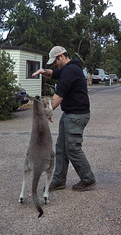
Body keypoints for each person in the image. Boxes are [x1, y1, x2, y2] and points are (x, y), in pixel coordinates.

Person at [32, 46, 96, 191]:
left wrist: (45, 114)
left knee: (72, 148)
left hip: (77, 115)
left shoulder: (70, 71)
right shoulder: (68, 69)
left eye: (54, 61)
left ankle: (88, 179)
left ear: (61, 56)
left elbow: (57, 98)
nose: (54, 64)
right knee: (61, 148)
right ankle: (59, 180)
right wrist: (43, 71)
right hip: (69, 114)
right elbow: (53, 73)